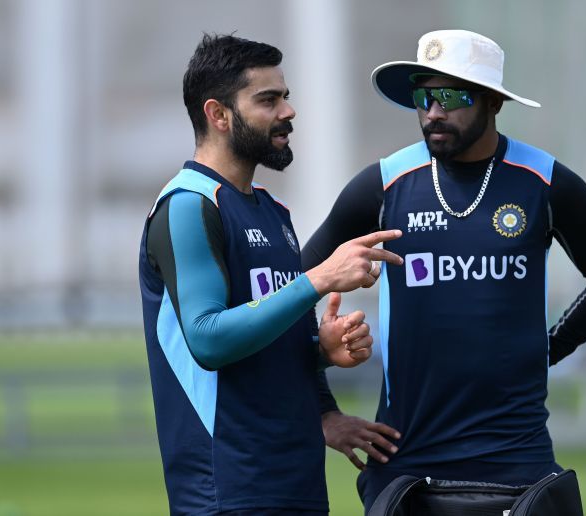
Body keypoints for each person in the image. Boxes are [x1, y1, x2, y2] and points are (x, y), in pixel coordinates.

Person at [301, 30, 586, 512]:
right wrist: (324, 412)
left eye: (452, 96)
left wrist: (547, 349)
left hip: (517, 457)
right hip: (405, 459)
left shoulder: (546, 183)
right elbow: (287, 296)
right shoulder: (381, 186)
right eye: (424, 97)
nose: (433, 112)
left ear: (494, 101)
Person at [138, 34, 403, 515]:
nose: (288, 111)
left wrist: (321, 356)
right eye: (269, 100)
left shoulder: (273, 212)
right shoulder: (188, 206)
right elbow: (209, 339)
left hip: (294, 484)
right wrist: (318, 278)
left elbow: (267, 335)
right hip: (225, 493)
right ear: (218, 115)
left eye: (286, 96)